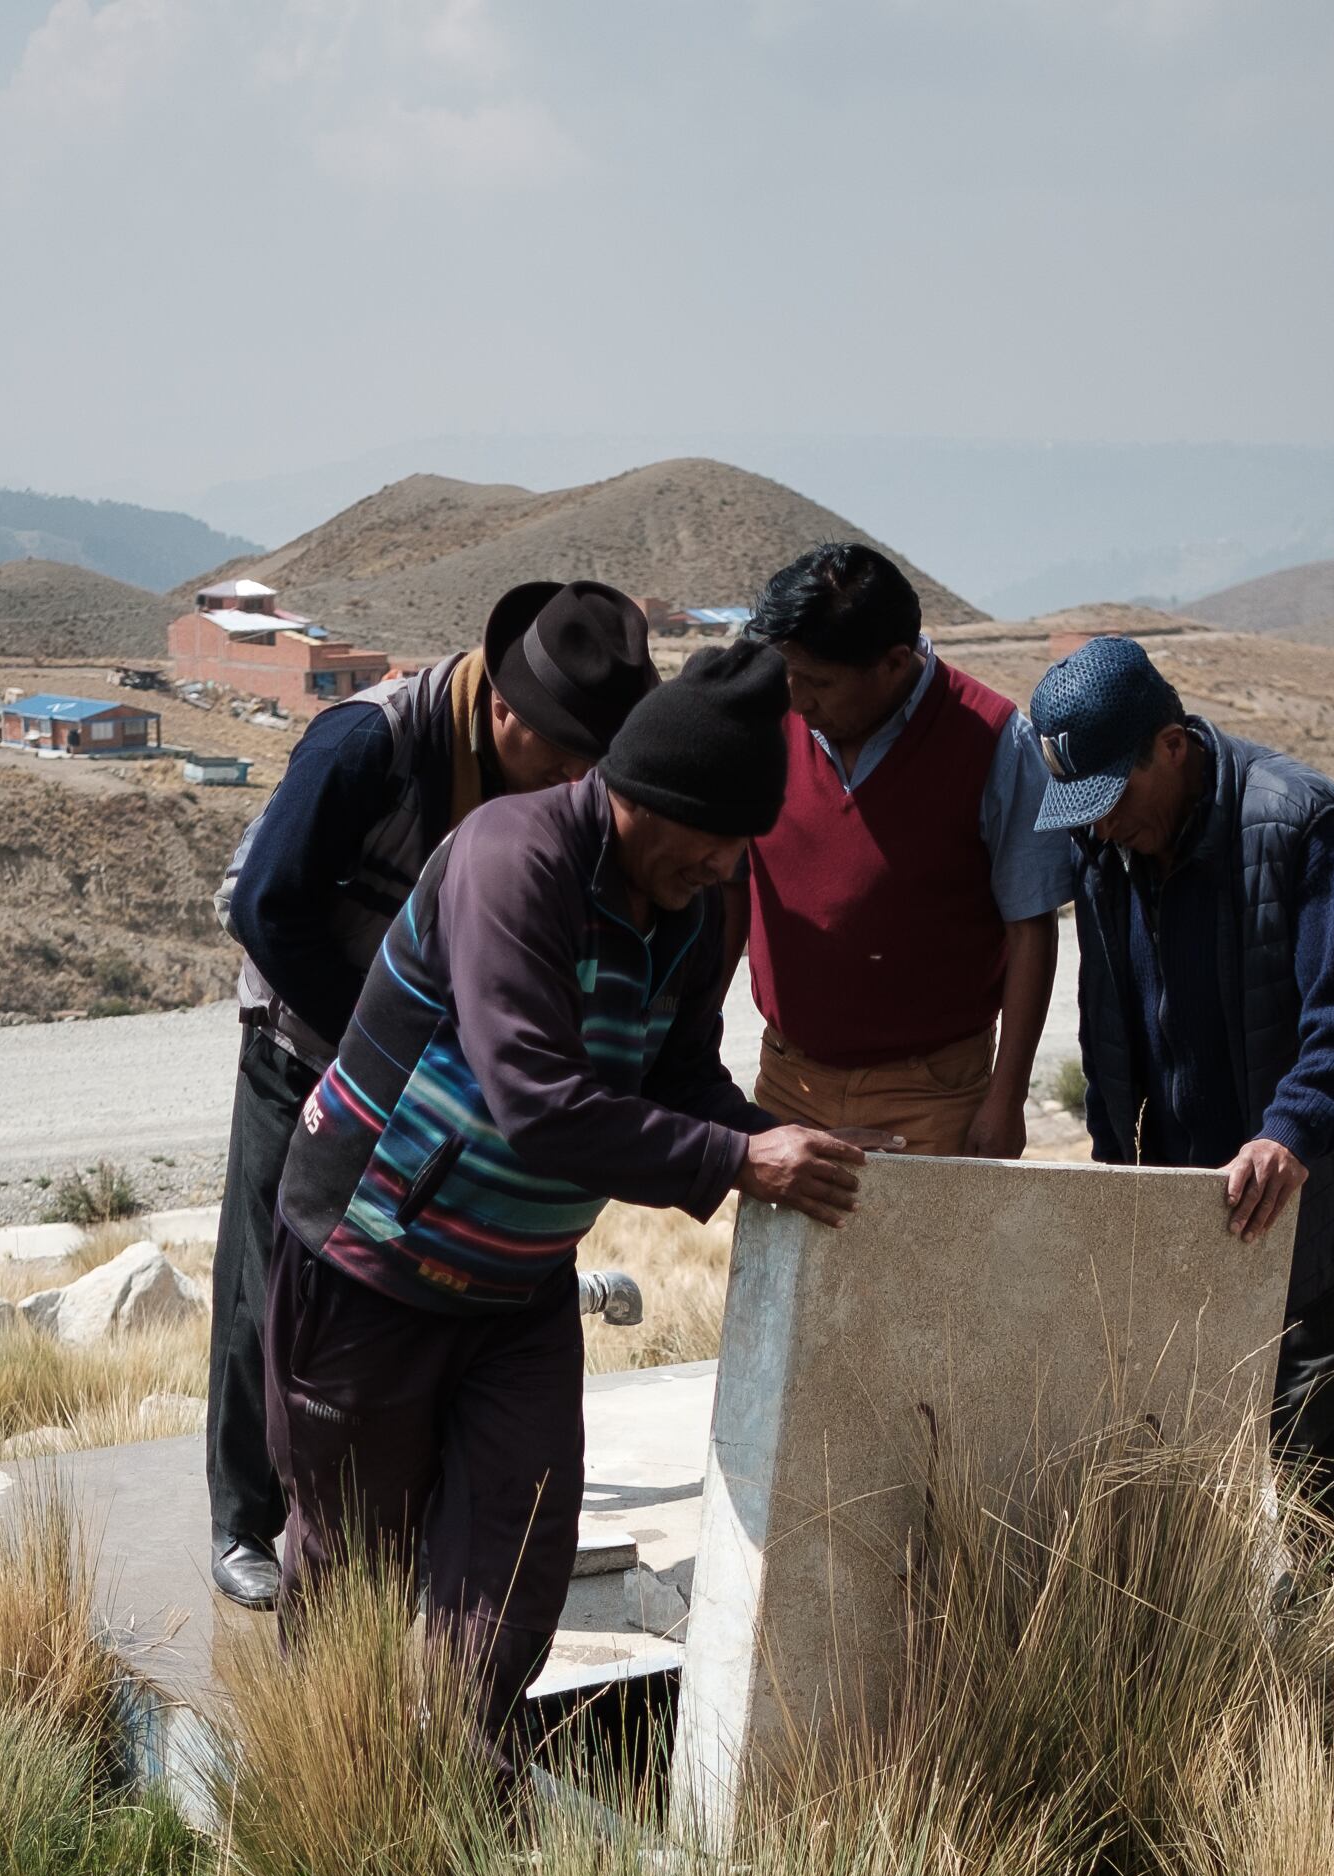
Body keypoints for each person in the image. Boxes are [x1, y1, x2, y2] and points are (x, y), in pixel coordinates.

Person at [269, 643, 867, 1753]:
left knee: (518, 1541)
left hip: (516, 1281)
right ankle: (326, 1791)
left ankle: (458, 1778)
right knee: (356, 1555)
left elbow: (679, 1076)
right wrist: (736, 1165)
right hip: (371, 1257)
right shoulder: (513, 858)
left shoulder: (696, 902)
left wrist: (772, 1142)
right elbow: (536, 1099)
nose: (732, 867)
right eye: (719, 839)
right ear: (645, 799)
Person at [202, 579, 658, 1613]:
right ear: (502, 709)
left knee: (407, 1298)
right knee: (268, 1281)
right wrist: (378, 1043)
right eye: (567, 753)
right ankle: (244, 1519)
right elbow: (264, 907)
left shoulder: (542, 781)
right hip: (308, 1052)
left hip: (448, 1092)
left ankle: (384, 1511)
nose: (580, 778)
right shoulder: (366, 744)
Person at [1022, 635, 1334, 1548]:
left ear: (1171, 744)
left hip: (1318, 1186)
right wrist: (1115, 1163)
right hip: (1185, 1197)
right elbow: (1110, 1031)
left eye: (1113, 797)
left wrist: (1290, 1134)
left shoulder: (1300, 823)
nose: (1102, 826)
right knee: (1178, 1441)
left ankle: (1322, 1670)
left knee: (1320, 1447)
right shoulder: (1106, 844)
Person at [740, 542, 1061, 1159]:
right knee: (787, 1261)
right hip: (788, 1079)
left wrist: (1005, 1100)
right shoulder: (768, 716)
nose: (798, 699)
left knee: (925, 1258)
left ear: (892, 663)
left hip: (933, 1095)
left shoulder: (992, 740)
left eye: (819, 682)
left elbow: (1032, 928)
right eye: (789, 674)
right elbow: (730, 883)